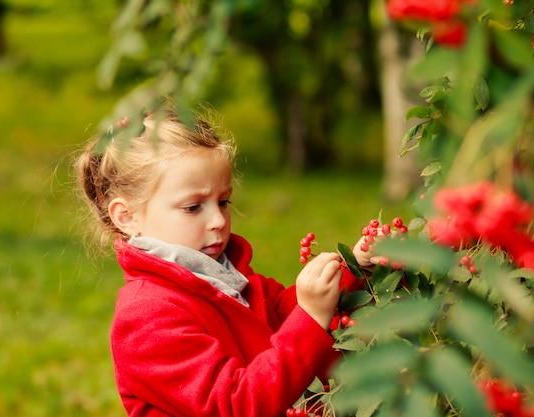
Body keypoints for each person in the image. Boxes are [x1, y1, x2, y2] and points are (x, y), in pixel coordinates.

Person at [76, 107, 375, 417]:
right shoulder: (146, 319)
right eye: (193, 207)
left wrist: (354, 268)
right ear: (127, 217)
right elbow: (235, 405)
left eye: (223, 202)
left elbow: (287, 312)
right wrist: (311, 317)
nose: (218, 220)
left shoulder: (222, 272)